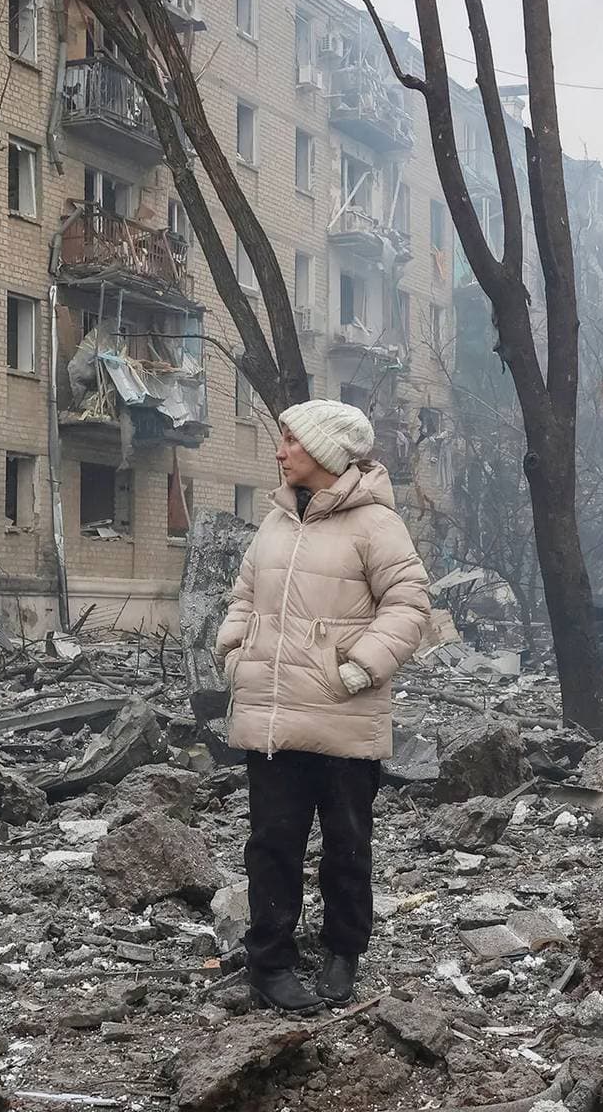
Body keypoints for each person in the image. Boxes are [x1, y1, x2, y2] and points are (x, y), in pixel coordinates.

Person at [214, 399, 431, 1014]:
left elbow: (409, 604)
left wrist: (361, 665)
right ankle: (270, 963)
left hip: (345, 714)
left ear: (326, 452)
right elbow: (244, 595)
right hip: (272, 718)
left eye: (291, 441)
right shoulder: (275, 522)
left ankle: (343, 952)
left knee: (347, 845)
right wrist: (233, 650)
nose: (280, 452)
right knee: (272, 845)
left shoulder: (376, 525)